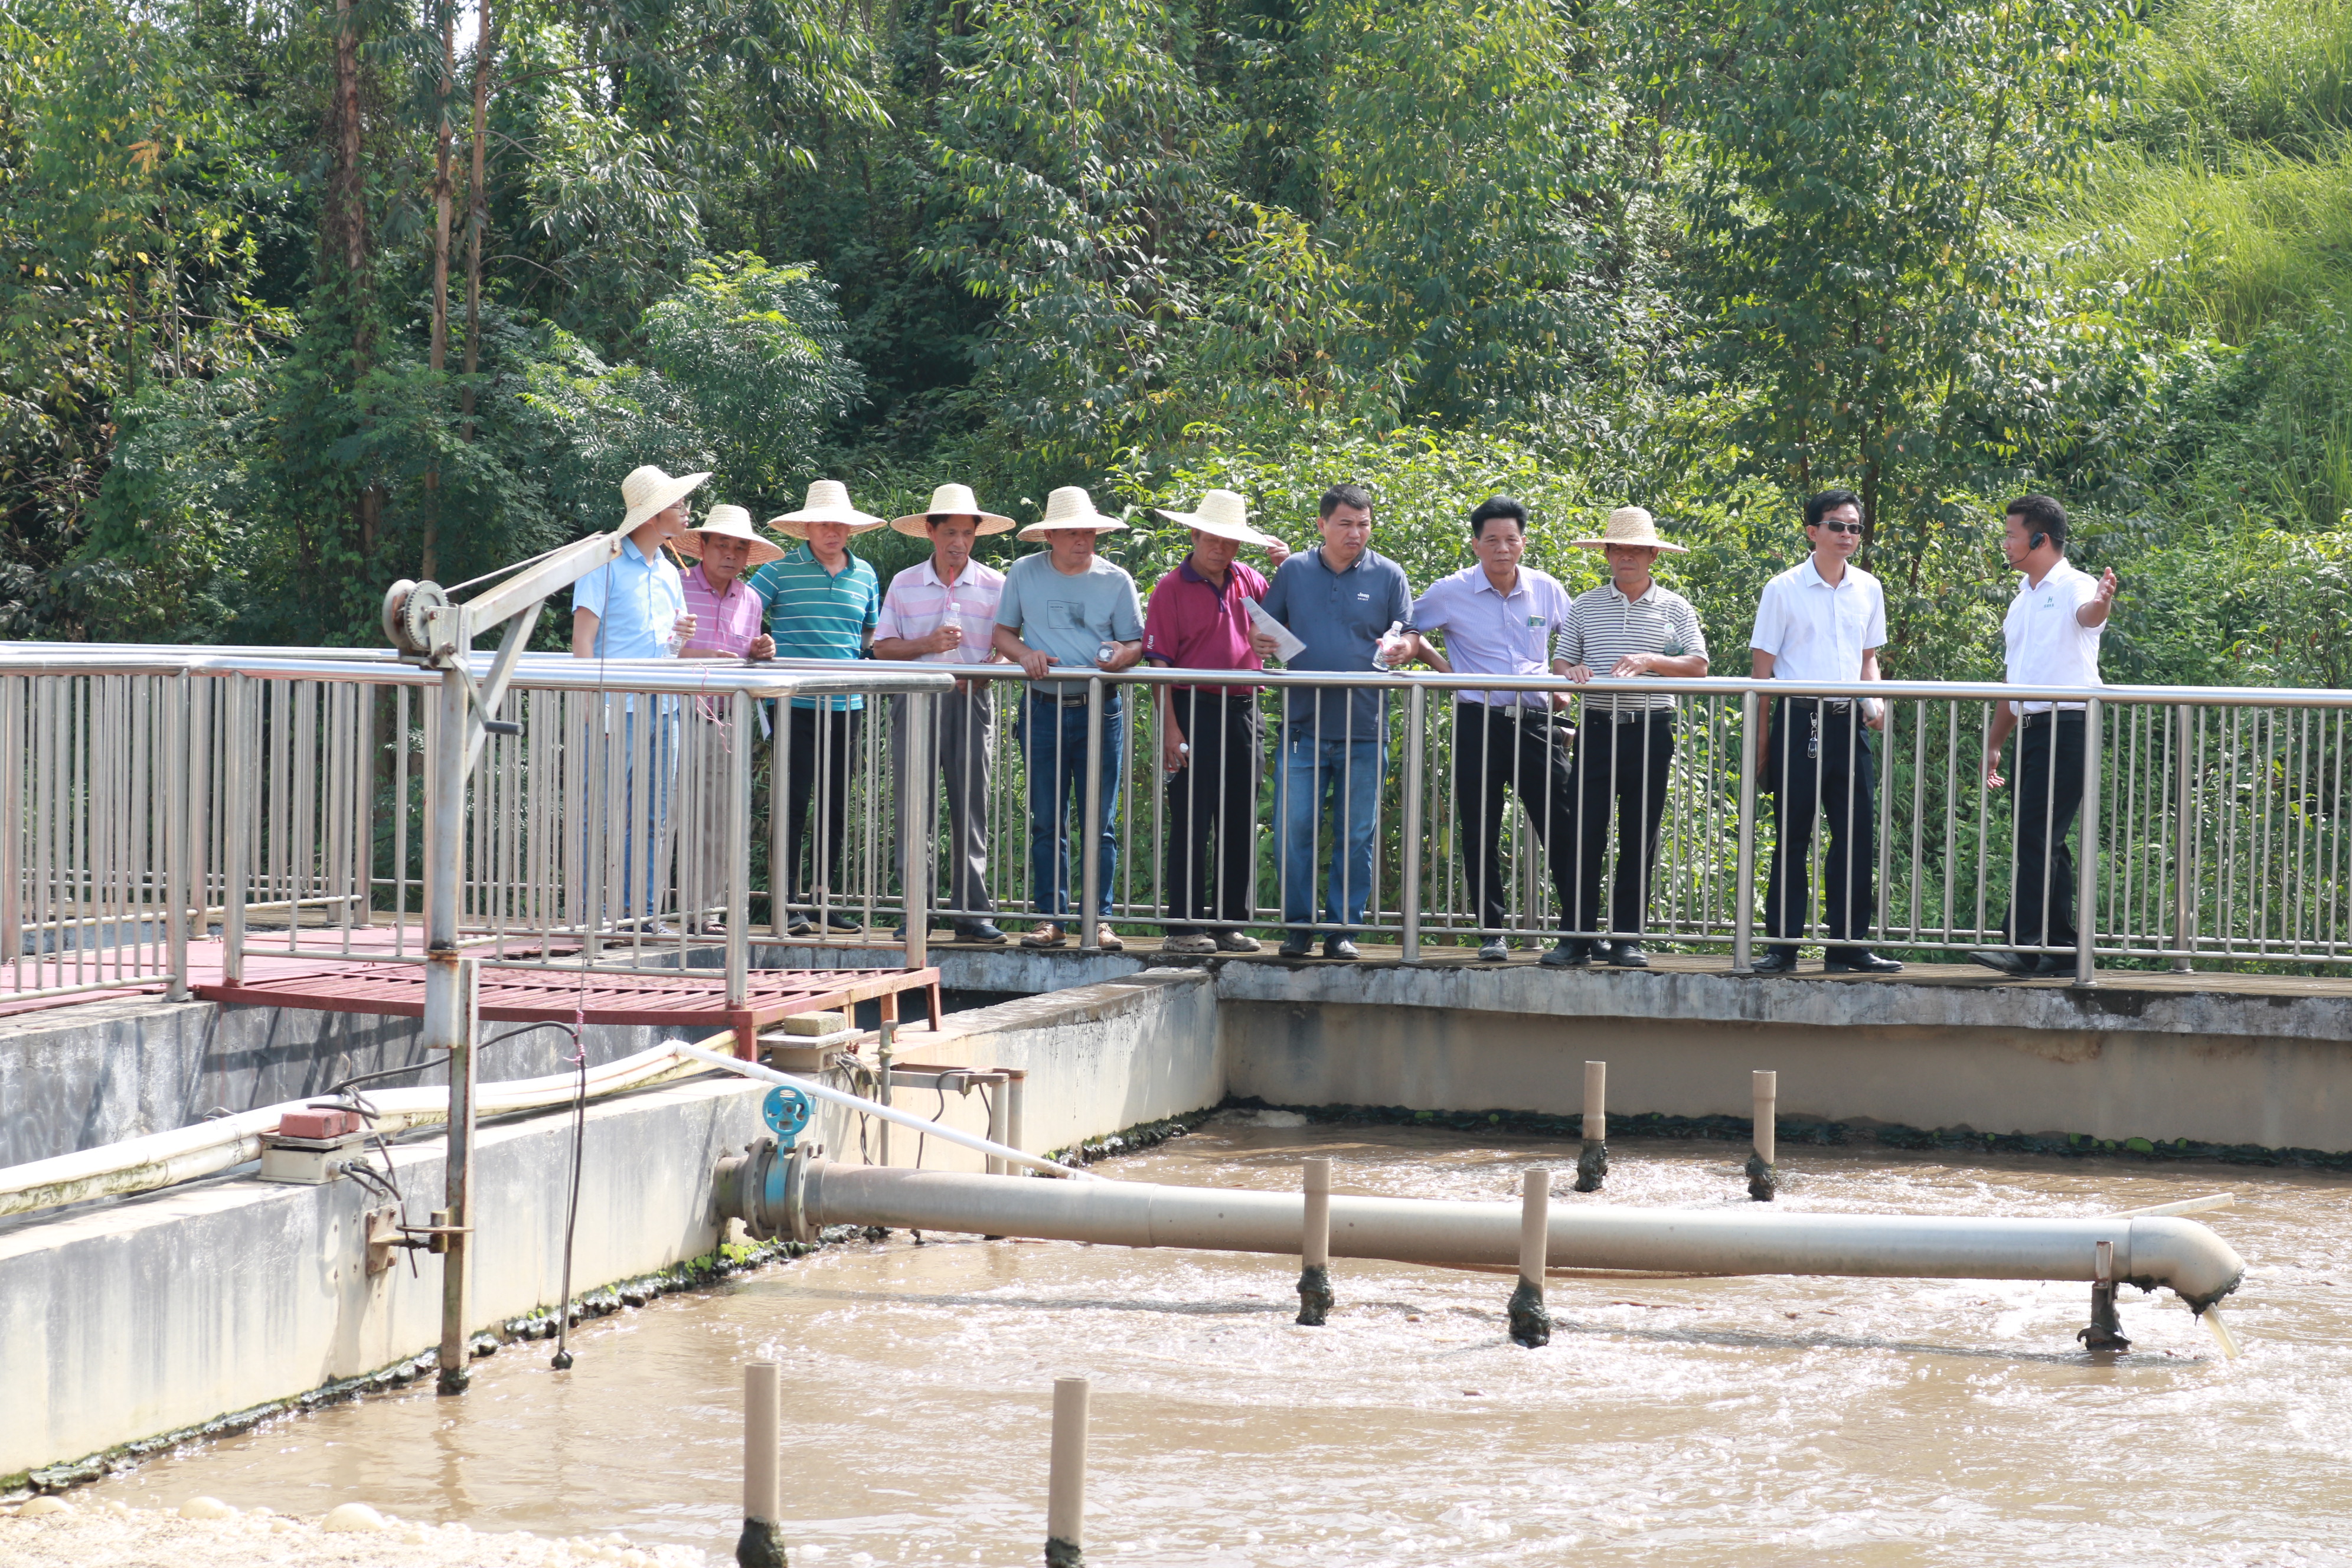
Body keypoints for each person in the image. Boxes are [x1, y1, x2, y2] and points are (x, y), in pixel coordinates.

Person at [1386, 496, 1578, 965]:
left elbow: (1576, 639)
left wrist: (1564, 681)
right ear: (1475, 544)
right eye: (1491, 539)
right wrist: (1444, 669)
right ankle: (1492, 932)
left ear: (1524, 542)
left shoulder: (1546, 589)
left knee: (1565, 826)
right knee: (1480, 828)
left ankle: (1578, 929)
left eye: (1511, 538)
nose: (1502, 548)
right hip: (1479, 722)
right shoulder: (1451, 591)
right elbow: (1410, 628)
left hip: (1537, 724)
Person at [1252, 483, 1414, 960]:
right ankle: (1298, 927)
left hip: (1366, 726)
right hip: (1302, 725)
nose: (1355, 533)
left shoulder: (1389, 575)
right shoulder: (1295, 572)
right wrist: (1260, 641)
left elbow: (1407, 632)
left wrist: (1403, 646)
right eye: (1345, 523)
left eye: (1363, 524)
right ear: (1322, 524)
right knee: (1292, 830)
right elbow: (1265, 627)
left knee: (1356, 833)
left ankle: (1342, 929)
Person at [1747, 489, 1902, 975]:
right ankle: (1782, 946)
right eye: (1837, 526)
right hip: (1799, 720)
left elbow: (1867, 659)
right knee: (1792, 837)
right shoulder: (1783, 588)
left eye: (1855, 527)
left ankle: (1849, 946)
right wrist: (1762, 743)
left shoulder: (1869, 588)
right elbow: (1761, 673)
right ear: (1812, 531)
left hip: (1848, 722)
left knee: (1856, 836)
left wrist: (1874, 700)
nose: (1847, 535)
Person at [1554, 506, 1711, 969]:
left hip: (1650, 730)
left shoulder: (1676, 607)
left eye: (1637, 549)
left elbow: (1699, 666)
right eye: (1619, 548)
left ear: (1652, 556)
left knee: (1639, 834)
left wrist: (1650, 660)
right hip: (1598, 727)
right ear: (1606, 554)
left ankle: (1626, 938)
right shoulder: (1584, 604)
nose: (1628, 557)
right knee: (1585, 834)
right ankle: (1575, 938)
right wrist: (1573, 671)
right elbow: (1562, 663)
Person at [991, 486, 1144, 952]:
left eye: (1090, 531)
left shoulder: (1117, 579)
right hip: (1042, 707)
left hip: (1101, 707)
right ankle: (1050, 918)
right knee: (1046, 818)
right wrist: (1025, 655)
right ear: (1051, 535)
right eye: (1073, 531)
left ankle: (1098, 919)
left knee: (1100, 822)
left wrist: (1122, 654)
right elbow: (1002, 633)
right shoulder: (1024, 571)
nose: (1083, 539)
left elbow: (1137, 644)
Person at [1141, 488, 1289, 955]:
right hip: (1190, 709)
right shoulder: (1170, 588)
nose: (1221, 549)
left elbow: (1285, 630)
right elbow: (1159, 664)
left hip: (1244, 709)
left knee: (1239, 815)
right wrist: (1170, 727)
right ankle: (1184, 927)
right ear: (1195, 534)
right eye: (1213, 539)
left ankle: (1230, 924)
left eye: (1230, 541)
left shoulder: (1250, 578)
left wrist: (1287, 569)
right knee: (1190, 816)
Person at [1974, 494, 2118, 977]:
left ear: (2040, 539)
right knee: (2044, 838)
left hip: (2070, 724)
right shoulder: (2021, 601)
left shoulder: (2077, 585)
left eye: (2012, 535)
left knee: (2036, 834)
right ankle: (2059, 948)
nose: (2006, 543)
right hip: (2034, 727)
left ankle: (2024, 945)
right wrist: (1996, 743)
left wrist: (2101, 605)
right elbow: (2014, 682)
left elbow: (2088, 617)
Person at [874, 482, 1015, 946]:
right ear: (930, 532)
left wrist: (987, 672)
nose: (959, 542)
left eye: (968, 534)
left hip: (970, 698)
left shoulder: (996, 584)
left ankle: (972, 913)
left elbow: (1011, 646)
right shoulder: (904, 582)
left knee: (971, 805)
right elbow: (882, 648)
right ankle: (918, 910)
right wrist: (927, 646)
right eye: (950, 531)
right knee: (914, 807)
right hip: (913, 698)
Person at [570, 464, 707, 930]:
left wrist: (680, 636)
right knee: (599, 814)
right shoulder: (603, 563)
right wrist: (594, 707)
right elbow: (583, 640)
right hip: (617, 707)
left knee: (653, 816)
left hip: (664, 705)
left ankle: (641, 914)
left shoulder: (669, 571)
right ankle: (590, 915)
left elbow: (672, 645)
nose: (686, 511)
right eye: (678, 504)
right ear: (652, 516)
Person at [746, 479, 884, 936]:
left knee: (836, 806)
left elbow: (869, 635)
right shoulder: (779, 571)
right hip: (794, 701)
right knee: (792, 804)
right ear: (807, 527)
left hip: (847, 703)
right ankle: (786, 905)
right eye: (825, 523)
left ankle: (824, 902)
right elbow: (744, 617)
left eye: (841, 524)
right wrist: (757, 648)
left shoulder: (865, 573)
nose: (833, 531)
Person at [672, 503, 780, 935]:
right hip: (676, 714)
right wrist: (693, 655)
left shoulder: (750, 598)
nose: (731, 554)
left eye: (740, 547)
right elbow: (655, 647)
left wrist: (759, 653)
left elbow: (745, 656)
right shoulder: (675, 585)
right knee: (665, 817)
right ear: (703, 545)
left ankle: (707, 913)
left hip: (726, 719)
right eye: (722, 544)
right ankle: (646, 912)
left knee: (719, 817)